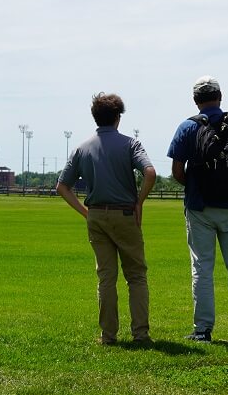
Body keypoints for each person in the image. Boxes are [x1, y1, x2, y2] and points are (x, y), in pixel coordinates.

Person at [56, 93, 157, 345]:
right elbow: (150, 172)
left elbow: (62, 187)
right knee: (136, 276)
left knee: (106, 278)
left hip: (97, 215)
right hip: (125, 214)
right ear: (117, 117)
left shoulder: (82, 148)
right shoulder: (131, 144)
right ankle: (140, 334)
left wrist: (84, 211)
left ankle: (109, 336)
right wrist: (139, 201)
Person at [168, 76, 228, 344]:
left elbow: (176, 171)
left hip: (200, 208)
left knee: (202, 268)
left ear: (195, 100)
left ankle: (203, 330)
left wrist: (197, 185)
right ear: (220, 96)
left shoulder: (187, 128)